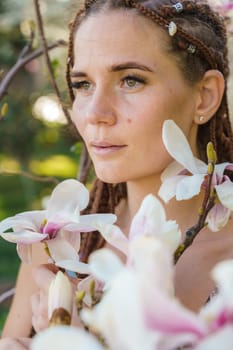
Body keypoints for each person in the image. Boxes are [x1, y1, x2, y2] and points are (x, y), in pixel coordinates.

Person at [1, 0, 233, 347]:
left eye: (130, 80)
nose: (95, 113)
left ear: (204, 96)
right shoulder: (56, 248)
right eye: (82, 84)